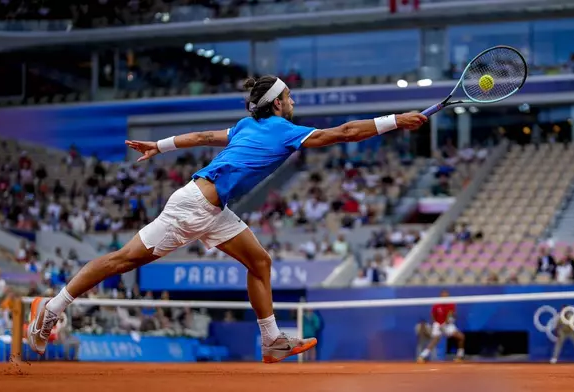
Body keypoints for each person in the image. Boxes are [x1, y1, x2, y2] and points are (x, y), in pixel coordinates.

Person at [26, 75, 426, 363]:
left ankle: (271, 342)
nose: (292, 101)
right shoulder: (284, 130)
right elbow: (345, 132)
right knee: (122, 260)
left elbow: (202, 138)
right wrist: (395, 120)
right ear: (276, 105)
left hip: (214, 211)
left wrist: (159, 146)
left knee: (260, 261)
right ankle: (52, 306)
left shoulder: (248, 125)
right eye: (288, 96)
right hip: (193, 206)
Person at [417, 289, 466, 363]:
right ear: (440, 296)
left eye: (446, 295)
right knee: (435, 340)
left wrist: (446, 323)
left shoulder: (451, 304)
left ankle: (460, 357)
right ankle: (422, 356)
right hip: (437, 324)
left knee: (461, 337)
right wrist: (435, 324)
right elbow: (432, 315)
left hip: (447, 325)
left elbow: (451, 314)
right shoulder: (436, 305)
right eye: (443, 295)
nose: (445, 296)